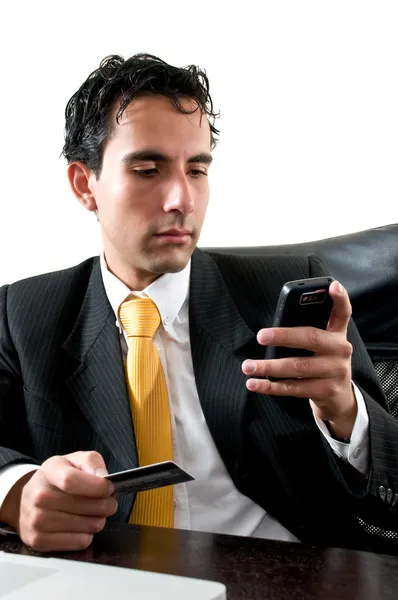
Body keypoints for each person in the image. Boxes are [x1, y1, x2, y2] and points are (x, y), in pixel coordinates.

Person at [0, 53, 397, 554]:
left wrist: (348, 413)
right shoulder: (23, 313)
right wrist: (16, 488)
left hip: (285, 579)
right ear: (85, 185)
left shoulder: (292, 294)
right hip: (111, 582)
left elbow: (392, 478)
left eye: (197, 169)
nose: (181, 199)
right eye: (147, 169)